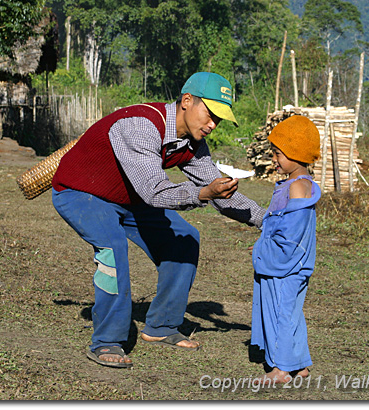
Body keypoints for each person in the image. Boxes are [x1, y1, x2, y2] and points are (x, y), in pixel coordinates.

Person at [51, 72, 266, 368]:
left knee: (185, 239)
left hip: (129, 199)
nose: (213, 125)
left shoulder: (193, 144)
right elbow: (155, 192)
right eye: (210, 114)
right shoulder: (141, 125)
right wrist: (203, 193)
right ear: (187, 101)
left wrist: (268, 220)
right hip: (80, 193)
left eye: (220, 119)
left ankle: (162, 326)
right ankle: (107, 341)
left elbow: (220, 193)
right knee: (112, 248)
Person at [250, 115, 321, 383]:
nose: (274, 159)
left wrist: (266, 253)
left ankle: (281, 369)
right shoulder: (295, 185)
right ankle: (299, 363)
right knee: (290, 311)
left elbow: (290, 235)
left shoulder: (299, 188)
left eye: (279, 153)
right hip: (292, 264)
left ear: (295, 153)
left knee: (279, 311)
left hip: (285, 265)